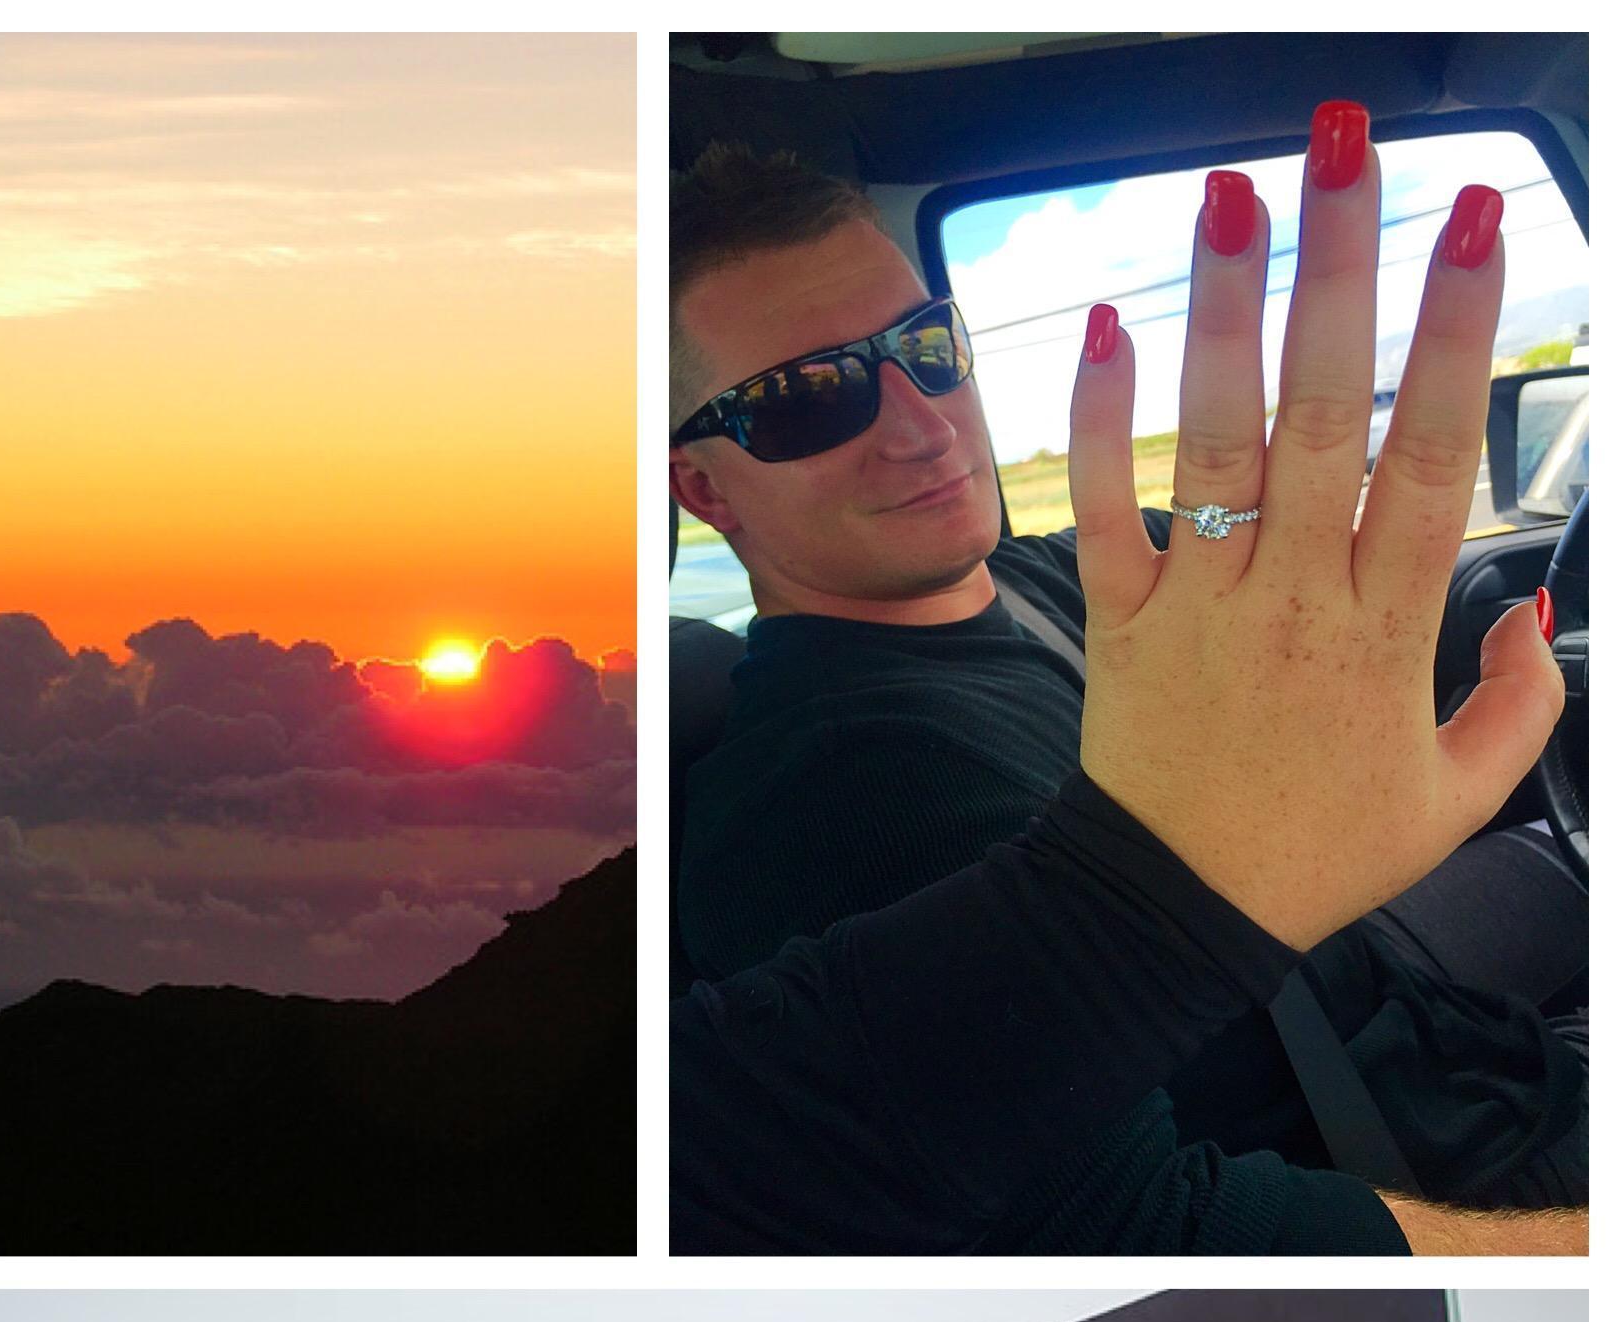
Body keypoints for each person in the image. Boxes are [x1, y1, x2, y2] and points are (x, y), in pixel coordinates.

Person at [669, 114, 1586, 1255]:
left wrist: (1257, 520)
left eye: (927, 346)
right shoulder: (829, 796)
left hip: (1428, 1030)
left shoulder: (1061, 572)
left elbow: (1219, 533)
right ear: (705, 494)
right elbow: (1140, 1233)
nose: (920, 425)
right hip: (1432, 1166)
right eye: (805, 397)